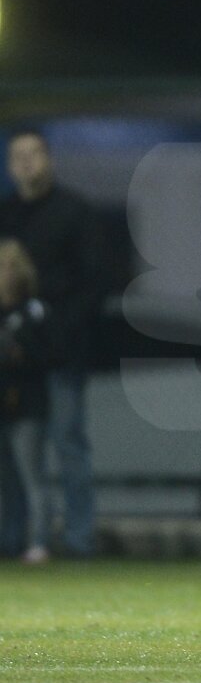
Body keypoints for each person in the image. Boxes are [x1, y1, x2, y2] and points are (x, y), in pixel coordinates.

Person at [2, 130, 106, 557]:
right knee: (12, 452)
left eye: (34, 154)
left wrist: (61, 332)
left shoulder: (75, 212)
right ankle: (16, 538)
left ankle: (79, 539)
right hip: (14, 360)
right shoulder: (6, 215)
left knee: (67, 443)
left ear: (49, 160)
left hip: (61, 354)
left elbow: (94, 282)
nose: (27, 163)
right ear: (9, 165)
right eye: (18, 156)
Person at [0, 239, 50, 562]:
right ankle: (11, 541)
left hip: (27, 405)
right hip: (3, 405)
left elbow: (38, 355)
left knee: (32, 475)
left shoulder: (32, 311)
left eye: (10, 267)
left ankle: (39, 542)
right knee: (7, 481)